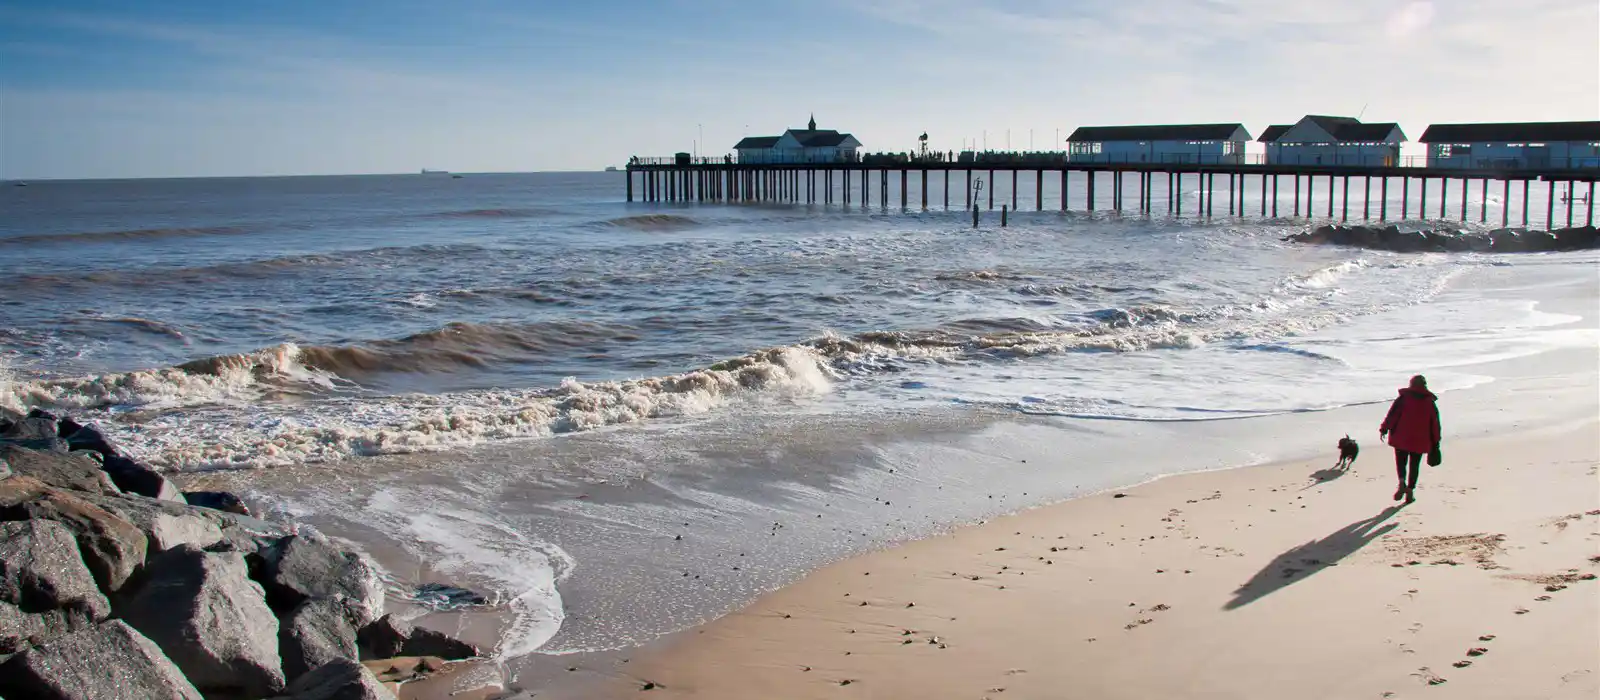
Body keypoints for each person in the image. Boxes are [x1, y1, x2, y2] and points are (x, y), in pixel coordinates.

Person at [1379, 375, 1441, 504]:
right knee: (1414, 465)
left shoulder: (1404, 398)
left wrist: (1384, 428)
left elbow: (1393, 414)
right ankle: (1410, 491)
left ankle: (1401, 481)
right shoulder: (1429, 402)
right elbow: (1435, 424)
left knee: (1401, 462)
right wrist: (1436, 441)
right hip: (1420, 440)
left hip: (1401, 437)